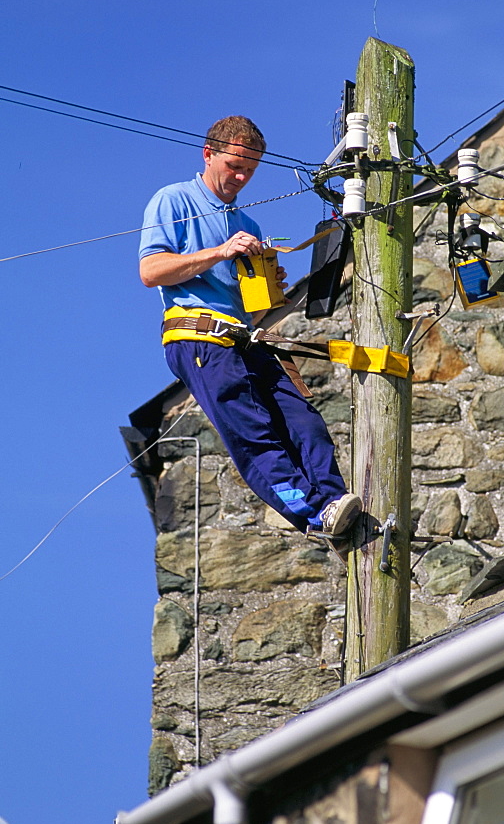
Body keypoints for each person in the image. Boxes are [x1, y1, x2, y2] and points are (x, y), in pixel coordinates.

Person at [139, 115, 362, 538]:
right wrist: (221, 251)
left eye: (250, 170)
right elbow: (152, 271)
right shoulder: (174, 200)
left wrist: (269, 292)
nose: (241, 177)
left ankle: (334, 504)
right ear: (209, 154)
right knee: (254, 432)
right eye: (234, 166)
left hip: (246, 338)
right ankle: (314, 515)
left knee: (305, 422)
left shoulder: (250, 225)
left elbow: (250, 312)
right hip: (198, 336)